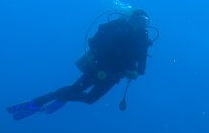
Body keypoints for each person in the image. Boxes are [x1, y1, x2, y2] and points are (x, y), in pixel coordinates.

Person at [8, 9, 153, 119]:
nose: (139, 25)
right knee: (75, 89)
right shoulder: (118, 30)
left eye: (144, 22)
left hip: (113, 76)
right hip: (97, 68)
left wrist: (134, 72)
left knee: (90, 100)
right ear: (131, 19)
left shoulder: (142, 41)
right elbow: (96, 45)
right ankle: (38, 102)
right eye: (138, 21)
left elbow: (142, 68)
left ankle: (62, 97)